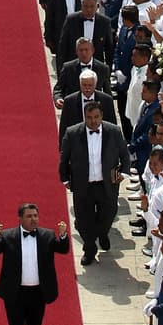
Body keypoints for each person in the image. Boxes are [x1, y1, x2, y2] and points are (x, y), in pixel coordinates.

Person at [58, 102, 130, 264]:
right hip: (83, 185)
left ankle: (102, 233)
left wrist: (124, 173)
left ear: (102, 116)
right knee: (83, 221)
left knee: (109, 214)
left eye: (96, 117)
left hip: (107, 184)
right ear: (85, 117)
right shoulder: (73, 133)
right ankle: (89, 248)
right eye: (89, 118)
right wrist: (65, 179)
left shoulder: (114, 131)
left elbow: (124, 155)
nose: (93, 121)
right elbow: (64, 159)